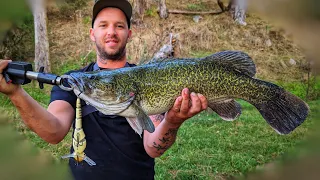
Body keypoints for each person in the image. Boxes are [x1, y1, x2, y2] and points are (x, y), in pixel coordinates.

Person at [0, 0, 208, 179]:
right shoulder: (74, 80)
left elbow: (153, 147)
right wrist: (16, 93)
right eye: (103, 25)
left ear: (129, 33)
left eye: (119, 25)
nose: (111, 32)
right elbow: (53, 132)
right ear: (92, 33)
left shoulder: (147, 79)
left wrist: (172, 121)